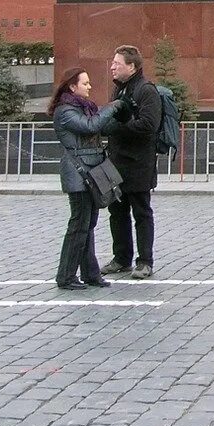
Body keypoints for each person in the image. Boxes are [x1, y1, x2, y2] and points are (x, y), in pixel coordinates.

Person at [49, 67, 127, 290]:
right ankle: (65, 276)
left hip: (89, 171)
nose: (89, 87)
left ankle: (90, 273)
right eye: (85, 83)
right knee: (79, 224)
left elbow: (99, 128)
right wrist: (111, 108)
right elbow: (89, 126)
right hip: (78, 173)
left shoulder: (82, 108)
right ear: (72, 87)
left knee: (87, 224)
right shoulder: (65, 111)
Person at [102, 45, 162, 280]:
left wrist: (118, 126)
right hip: (117, 162)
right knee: (116, 211)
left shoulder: (146, 91)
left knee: (141, 212)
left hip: (139, 164)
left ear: (132, 66)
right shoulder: (120, 90)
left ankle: (145, 261)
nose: (112, 67)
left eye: (117, 63)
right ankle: (121, 258)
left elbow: (148, 127)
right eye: (113, 63)